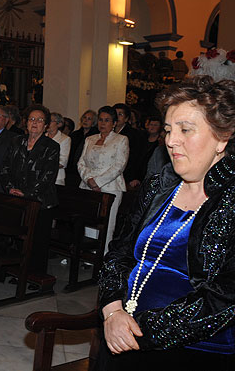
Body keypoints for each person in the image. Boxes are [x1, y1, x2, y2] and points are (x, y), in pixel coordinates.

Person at [97, 77, 235, 369]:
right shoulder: (158, 186)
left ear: (222, 137)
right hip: (119, 335)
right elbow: (117, 254)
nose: (170, 140)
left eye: (186, 130)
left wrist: (139, 330)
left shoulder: (230, 200)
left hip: (194, 351)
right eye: (169, 130)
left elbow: (224, 299)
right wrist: (112, 312)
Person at [0, 104, 60, 275]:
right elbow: (5, 168)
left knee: (38, 241)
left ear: (46, 125)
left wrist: (27, 193)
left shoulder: (52, 147)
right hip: (17, 198)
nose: (35, 123)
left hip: (41, 202)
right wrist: (11, 188)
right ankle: (18, 272)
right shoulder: (16, 141)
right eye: (32, 119)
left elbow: (48, 176)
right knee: (18, 238)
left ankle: (35, 275)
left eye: (40, 120)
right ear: (26, 123)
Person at [78, 106, 129, 253]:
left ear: (113, 123)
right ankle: (89, 255)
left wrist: (98, 182)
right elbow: (81, 162)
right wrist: (89, 180)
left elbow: (119, 165)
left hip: (110, 186)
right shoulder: (90, 139)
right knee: (89, 222)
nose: (103, 123)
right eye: (100, 120)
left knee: (108, 224)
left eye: (107, 120)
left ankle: (103, 256)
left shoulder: (121, 140)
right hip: (88, 185)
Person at [114, 103, 147, 189]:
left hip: (127, 176)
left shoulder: (134, 134)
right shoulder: (107, 133)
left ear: (126, 118)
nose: (117, 117)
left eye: (120, 114)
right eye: (115, 114)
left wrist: (136, 177)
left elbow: (138, 157)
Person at [66, 109, 99, 187]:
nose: (85, 120)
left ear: (94, 122)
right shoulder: (75, 135)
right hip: (71, 170)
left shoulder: (96, 136)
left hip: (86, 171)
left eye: (89, 119)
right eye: (84, 118)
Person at [46, 112, 71, 186]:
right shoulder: (42, 137)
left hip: (56, 177)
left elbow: (62, 162)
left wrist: (43, 164)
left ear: (59, 124)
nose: (47, 123)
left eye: (50, 121)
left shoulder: (65, 139)